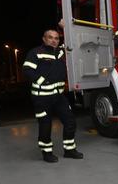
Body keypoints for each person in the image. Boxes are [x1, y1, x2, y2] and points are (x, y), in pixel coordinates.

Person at [23, 29, 84, 163]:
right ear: (44, 39)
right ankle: (47, 152)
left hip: (58, 96)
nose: (54, 40)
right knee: (45, 125)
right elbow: (27, 69)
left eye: (56, 38)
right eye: (50, 37)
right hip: (42, 97)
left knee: (70, 121)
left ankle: (69, 150)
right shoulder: (36, 53)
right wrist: (42, 81)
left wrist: (64, 26)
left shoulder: (61, 52)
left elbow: (72, 41)